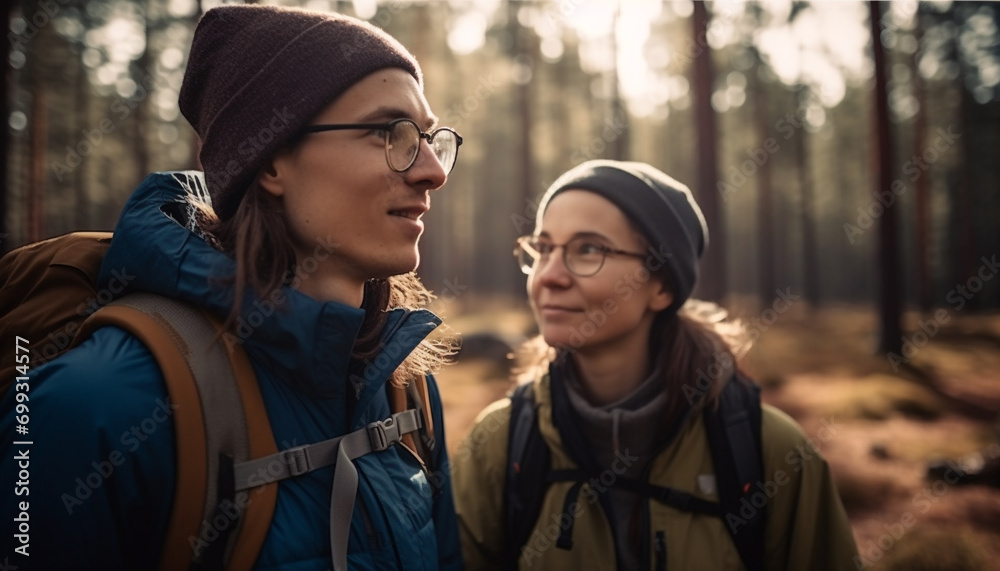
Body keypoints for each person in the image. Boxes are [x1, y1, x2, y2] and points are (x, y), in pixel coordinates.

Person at [0, 5, 463, 570]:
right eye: (389, 133)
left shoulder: (406, 388)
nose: (432, 171)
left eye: (430, 138)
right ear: (270, 161)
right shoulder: (92, 409)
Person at [452, 160, 858, 570]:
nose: (548, 276)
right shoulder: (500, 444)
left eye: (588, 249)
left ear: (662, 285)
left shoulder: (768, 452)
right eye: (542, 249)